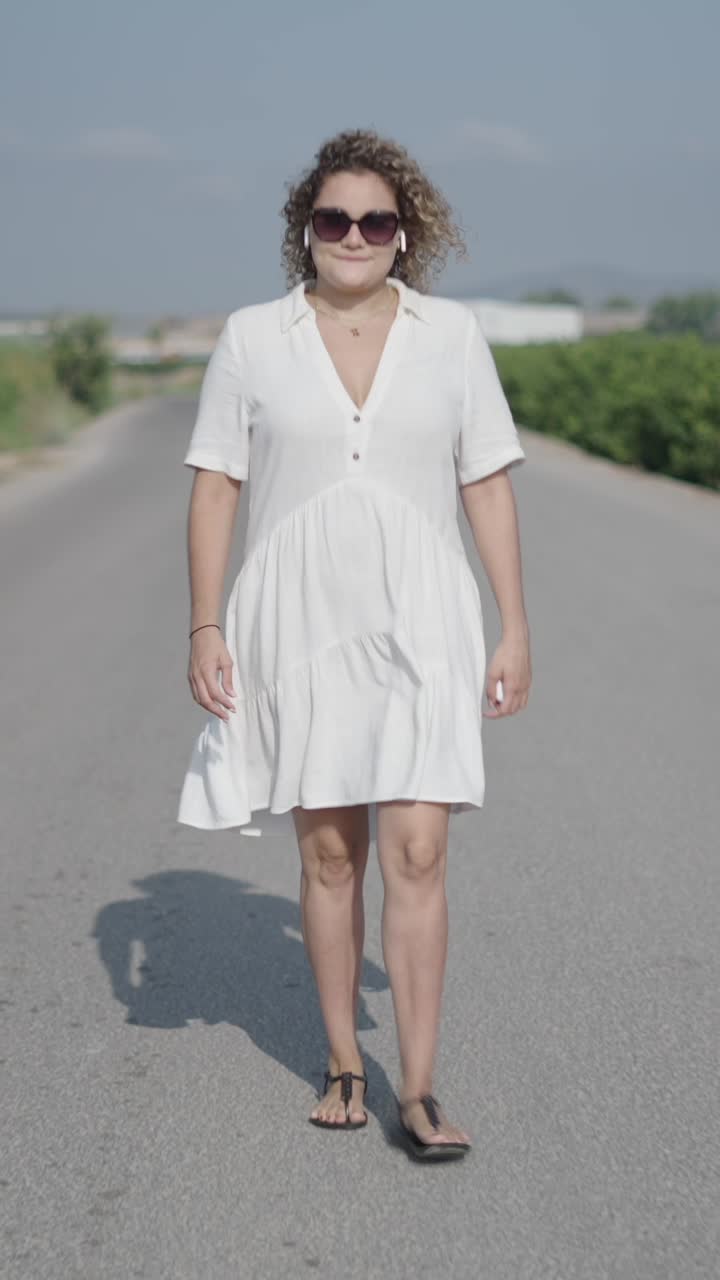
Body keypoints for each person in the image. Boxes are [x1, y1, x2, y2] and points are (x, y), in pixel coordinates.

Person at [176, 127, 532, 1160]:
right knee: (332, 851)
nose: (355, 236)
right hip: (301, 620)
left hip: (423, 615)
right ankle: (342, 1058)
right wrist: (206, 622)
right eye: (334, 219)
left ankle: (417, 1088)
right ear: (306, 230)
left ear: (403, 232)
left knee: (420, 846)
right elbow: (215, 484)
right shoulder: (253, 338)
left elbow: (486, 481)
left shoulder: (453, 336)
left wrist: (514, 623)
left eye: (376, 220)